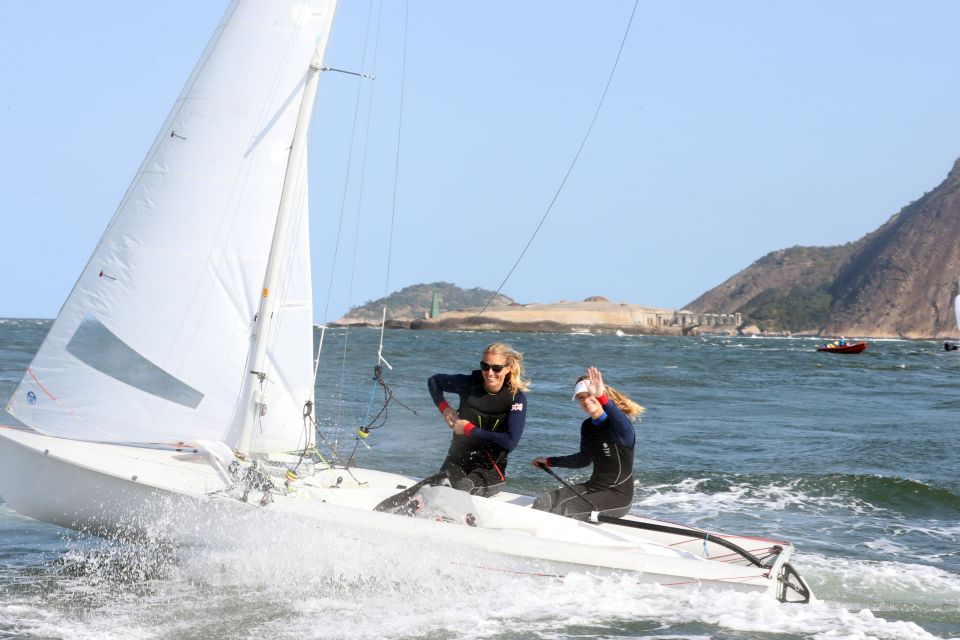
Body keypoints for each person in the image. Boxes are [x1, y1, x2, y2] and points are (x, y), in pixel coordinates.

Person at [531, 366, 644, 520]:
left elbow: (618, 417)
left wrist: (602, 397)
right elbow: (584, 459)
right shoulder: (588, 426)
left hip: (618, 496)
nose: (585, 400)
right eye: (581, 397)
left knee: (564, 509)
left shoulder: (620, 427)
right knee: (542, 502)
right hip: (593, 487)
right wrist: (550, 461)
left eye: (590, 395)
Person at [427, 342, 529, 497]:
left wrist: (469, 429)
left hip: (490, 468)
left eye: (496, 368)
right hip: (457, 459)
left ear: (508, 368)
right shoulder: (468, 384)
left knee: (464, 487)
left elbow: (510, 442)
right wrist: (444, 408)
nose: (489, 372)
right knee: (437, 485)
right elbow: (434, 381)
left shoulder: (516, 397)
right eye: (485, 366)